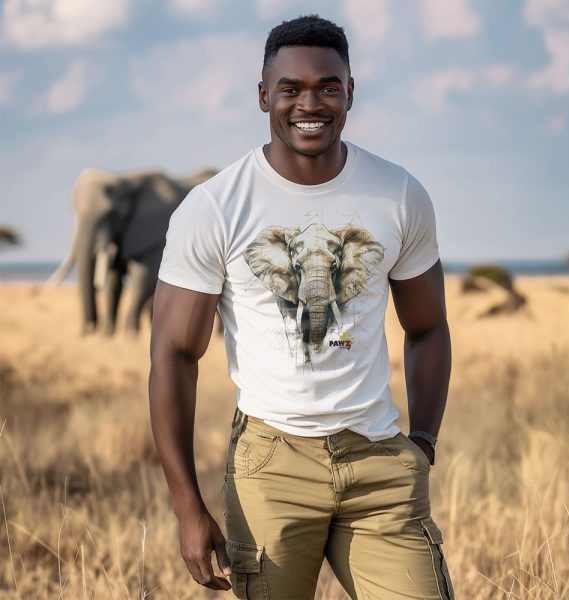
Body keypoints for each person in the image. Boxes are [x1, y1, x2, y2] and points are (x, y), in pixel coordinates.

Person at [149, 14, 454, 600]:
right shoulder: (214, 208)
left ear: (350, 92)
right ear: (264, 95)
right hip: (273, 465)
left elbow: (429, 326)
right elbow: (173, 354)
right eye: (290, 88)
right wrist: (188, 508)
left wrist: (422, 443)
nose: (308, 103)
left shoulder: (399, 194)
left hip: (379, 463)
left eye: (327, 87)